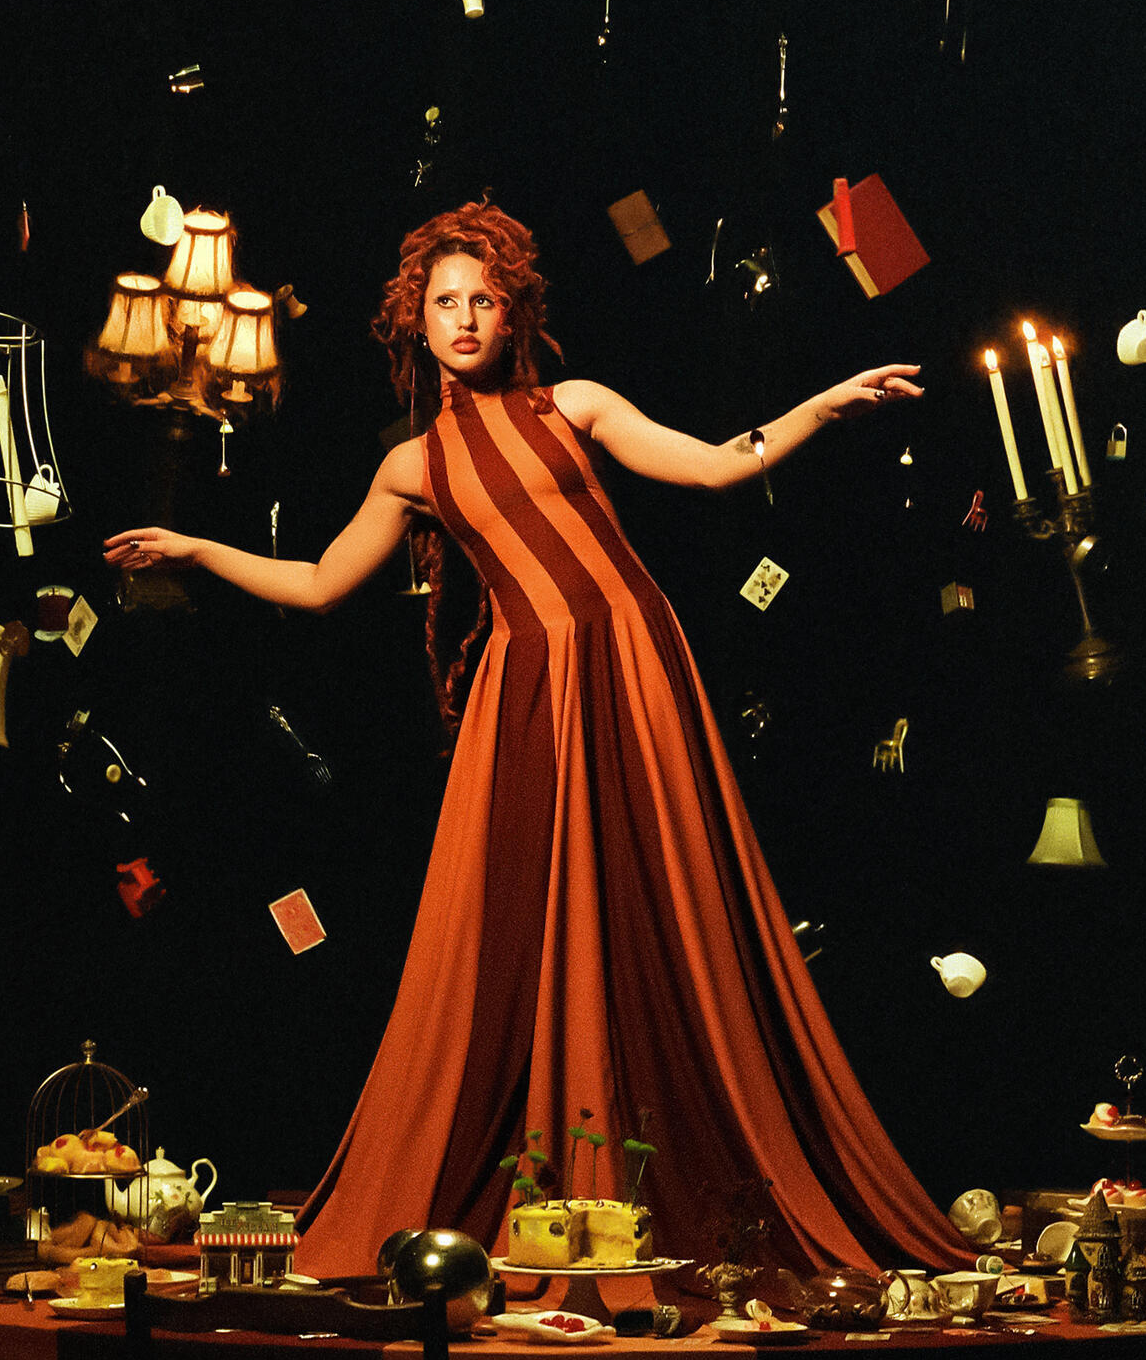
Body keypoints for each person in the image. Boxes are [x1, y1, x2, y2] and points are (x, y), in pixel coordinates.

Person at [105, 199, 968, 1276]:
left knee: (663, 885)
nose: (464, 318)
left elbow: (714, 465)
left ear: (512, 314)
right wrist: (197, 548)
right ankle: (559, 1163)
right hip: (528, 687)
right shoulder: (413, 467)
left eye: (482, 300)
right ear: (416, 322)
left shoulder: (575, 404)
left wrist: (824, 405)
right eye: (444, 303)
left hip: (632, 655)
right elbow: (321, 582)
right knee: (529, 907)